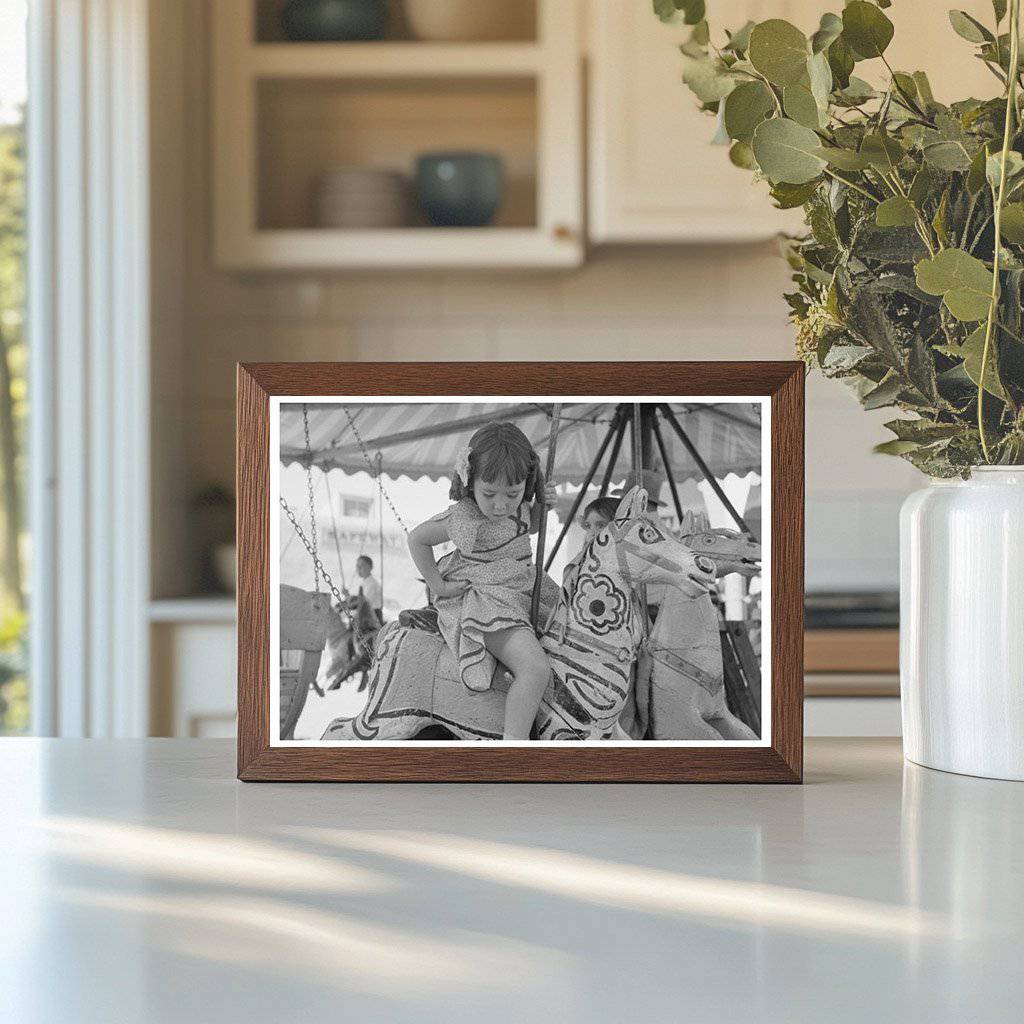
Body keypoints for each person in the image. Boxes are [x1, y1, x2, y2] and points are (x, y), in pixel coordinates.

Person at [407, 422, 558, 740]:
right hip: (488, 600)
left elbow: (525, 530)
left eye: (512, 494)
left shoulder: (520, 509)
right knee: (535, 670)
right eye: (489, 493)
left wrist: (542, 506)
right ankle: (514, 749)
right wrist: (439, 586)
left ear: (525, 485)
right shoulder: (463, 515)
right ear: (469, 480)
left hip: (521, 587)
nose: (501, 505)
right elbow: (417, 539)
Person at [353, 554, 383, 626]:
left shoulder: (373, 584)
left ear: (370, 567)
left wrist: (351, 602)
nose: (359, 568)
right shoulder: (363, 582)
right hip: (364, 615)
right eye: (357, 566)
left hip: (372, 617)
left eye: (362, 566)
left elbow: (365, 602)